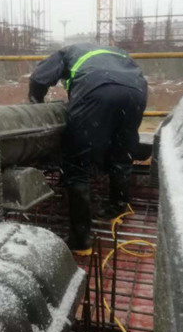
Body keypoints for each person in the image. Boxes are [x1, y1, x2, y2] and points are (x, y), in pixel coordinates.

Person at [29, 43, 148, 255]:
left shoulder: (65, 53)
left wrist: (35, 103)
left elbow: (39, 78)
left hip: (97, 89)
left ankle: (80, 241)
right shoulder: (113, 52)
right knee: (121, 152)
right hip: (136, 91)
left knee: (77, 163)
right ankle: (118, 206)